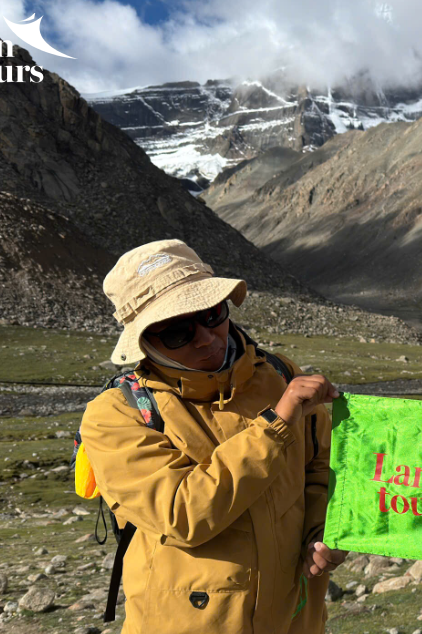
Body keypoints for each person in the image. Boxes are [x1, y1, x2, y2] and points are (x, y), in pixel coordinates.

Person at [79, 239, 345, 633]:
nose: (206, 338)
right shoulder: (116, 414)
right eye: (177, 332)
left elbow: (322, 472)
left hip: (296, 617)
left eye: (212, 313)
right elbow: (183, 515)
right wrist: (275, 426)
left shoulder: (280, 375)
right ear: (144, 341)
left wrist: (323, 533)